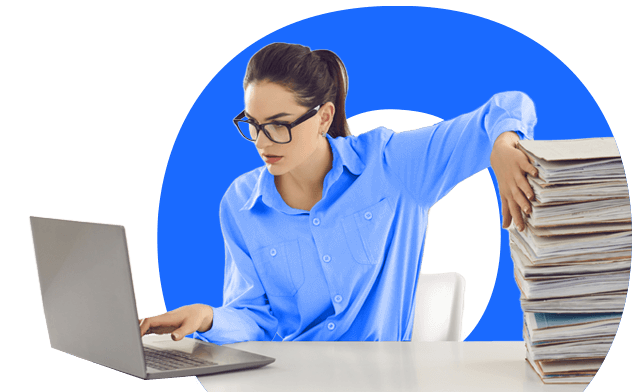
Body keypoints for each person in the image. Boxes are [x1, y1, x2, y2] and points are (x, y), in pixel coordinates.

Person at [139, 42, 538, 343]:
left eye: (279, 124)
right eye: (253, 124)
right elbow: (256, 317)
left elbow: (508, 105)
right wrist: (210, 317)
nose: (262, 142)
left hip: (383, 382)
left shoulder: (391, 165)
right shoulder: (240, 203)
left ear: (323, 116)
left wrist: (502, 144)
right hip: (288, 380)